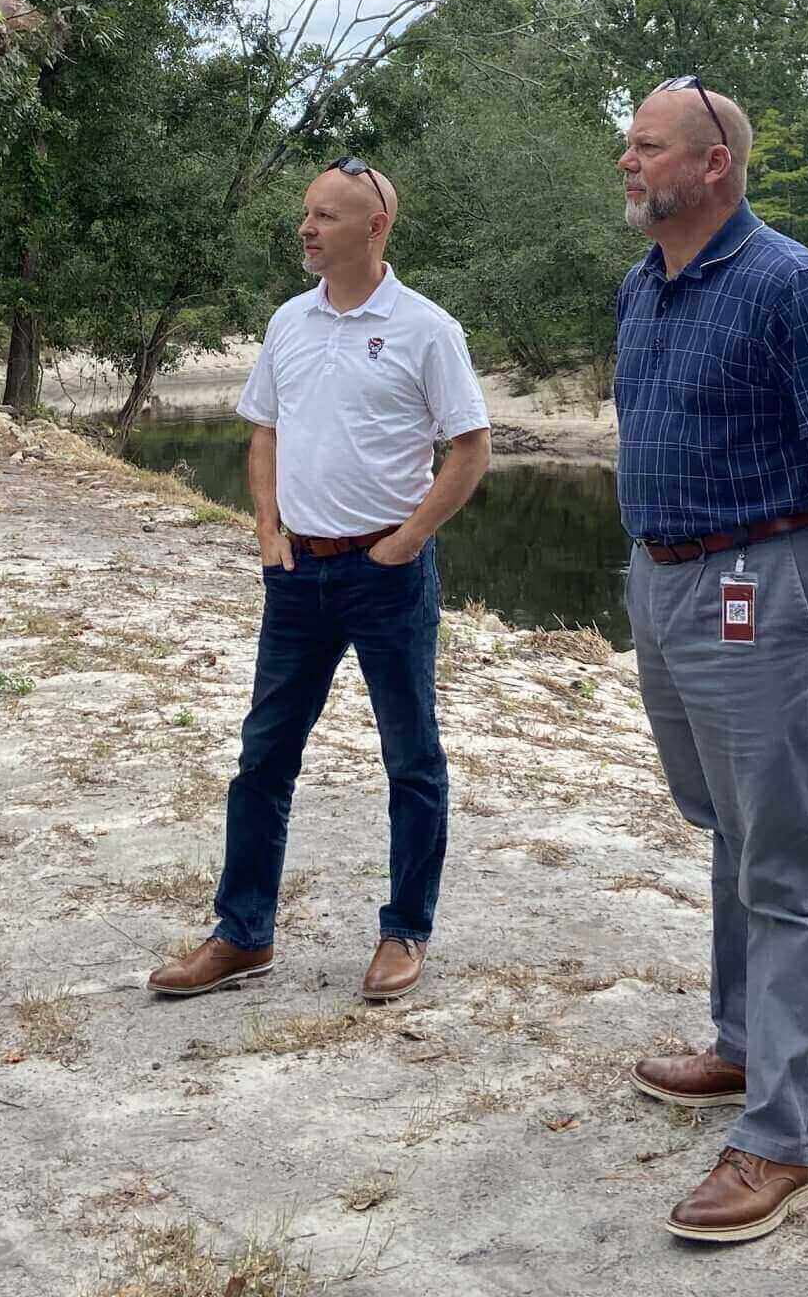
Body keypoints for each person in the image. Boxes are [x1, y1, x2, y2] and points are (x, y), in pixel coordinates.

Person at [613, 77, 808, 1244]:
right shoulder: (647, 284)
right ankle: (740, 1049)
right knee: (728, 823)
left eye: (646, 148)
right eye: (627, 148)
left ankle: (785, 1140)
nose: (628, 165)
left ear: (713, 165)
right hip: (662, 576)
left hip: (759, 578)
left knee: (786, 854)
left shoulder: (791, 284)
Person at [148, 159, 492, 1004]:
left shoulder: (426, 328)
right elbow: (262, 431)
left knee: (410, 756)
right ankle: (242, 934)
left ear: (375, 227)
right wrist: (266, 529)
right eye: (305, 214)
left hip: (386, 572)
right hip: (298, 570)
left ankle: (405, 931)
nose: (307, 228)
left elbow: (471, 449)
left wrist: (408, 542)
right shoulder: (289, 323)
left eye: (326, 216)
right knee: (264, 755)